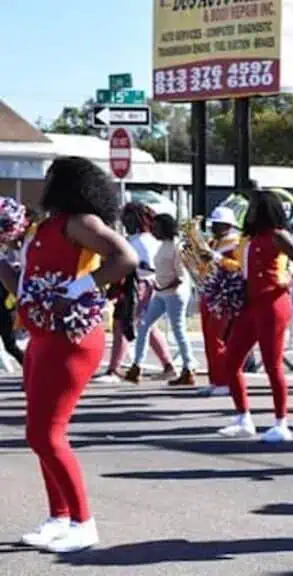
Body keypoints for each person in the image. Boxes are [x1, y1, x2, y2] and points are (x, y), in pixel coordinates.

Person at [6, 156, 138, 552]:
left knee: (45, 434)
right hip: (43, 336)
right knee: (40, 434)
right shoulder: (43, 226)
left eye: (50, 177)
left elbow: (126, 258)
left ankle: (84, 523)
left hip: (72, 338)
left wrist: (82, 288)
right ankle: (58, 517)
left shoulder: (80, 222)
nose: (44, 183)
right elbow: (28, 284)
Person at [216, 190, 293, 443]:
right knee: (231, 359)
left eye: (255, 206)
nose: (251, 211)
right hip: (250, 305)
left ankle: (281, 422)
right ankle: (243, 418)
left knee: (272, 364)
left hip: (273, 303)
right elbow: (239, 265)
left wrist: (287, 283)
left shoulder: (278, 236)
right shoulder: (248, 238)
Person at [97, 203, 174, 382]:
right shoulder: (143, 239)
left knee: (123, 324)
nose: (126, 222)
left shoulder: (141, 241)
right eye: (125, 218)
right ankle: (168, 365)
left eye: (130, 219)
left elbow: (146, 265)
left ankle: (114, 369)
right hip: (142, 284)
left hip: (139, 285)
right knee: (147, 325)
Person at [126, 214, 196, 386]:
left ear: (165, 227)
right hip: (162, 292)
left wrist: (162, 287)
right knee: (144, 324)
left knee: (178, 330)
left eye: (156, 227)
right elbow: (162, 268)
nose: (152, 230)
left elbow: (180, 276)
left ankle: (189, 368)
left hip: (175, 294)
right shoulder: (162, 245)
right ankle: (137, 366)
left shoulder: (176, 247)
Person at [197, 207, 242, 397]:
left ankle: (225, 381)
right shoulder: (213, 241)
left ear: (228, 225)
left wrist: (217, 258)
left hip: (225, 294)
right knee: (209, 339)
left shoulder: (235, 243)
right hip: (210, 291)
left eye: (217, 224)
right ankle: (215, 380)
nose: (213, 227)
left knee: (217, 339)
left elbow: (239, 267)